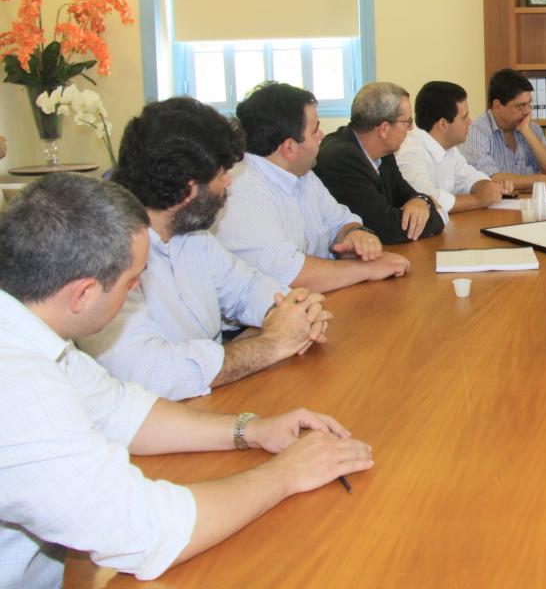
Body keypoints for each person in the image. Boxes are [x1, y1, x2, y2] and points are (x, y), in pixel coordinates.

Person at [0, 173, 372, 587]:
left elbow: (123, 410)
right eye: (132, 280)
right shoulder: (18, 385)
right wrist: (284, 475)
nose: (140, 287)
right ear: (83, 293)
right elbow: (147, 530)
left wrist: (251, 429)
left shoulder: (30, 332)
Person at [77, 97, 331, 401]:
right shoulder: (102, 254)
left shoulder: (191, 234)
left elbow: (248, 287)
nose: (228, 182)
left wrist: (294, 312)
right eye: (222, 173)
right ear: (187, 189)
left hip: (209, 404)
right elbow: (149, 373)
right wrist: (270, 344)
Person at [215, 81, 410, 293]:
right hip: (262, 320)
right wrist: (368, 269)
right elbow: (289, 275)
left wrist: (355, 234)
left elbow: (341, 220)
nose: (322, 135)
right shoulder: (241, 191)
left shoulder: (303, 174)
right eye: (315, 129)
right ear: (289, 148)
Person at [313, 82, 445, 244]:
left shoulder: (383, 152)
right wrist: (438, 215)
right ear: (384, 129)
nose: (410, 128)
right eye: (407, 122)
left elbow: (404, 193)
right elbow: (385, 228)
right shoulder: (340, 159)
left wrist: (421, 200)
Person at [395, 80, 511, 220]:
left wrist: (490, 187)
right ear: (443, 124)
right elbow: (428, 200)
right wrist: (478, 200)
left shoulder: (449, 148)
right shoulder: (410, 151)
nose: (470, 122)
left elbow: (469, 177)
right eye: (464, 117)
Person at [462, 68, 546, 192]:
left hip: (530, 205)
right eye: (520, 106)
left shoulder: (531, 128)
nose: (527, 111)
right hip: (495, 208)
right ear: (497, 106)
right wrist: (541, 180)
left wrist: (528, 134)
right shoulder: (476, 132)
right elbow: (491, 179)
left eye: (529, 104)